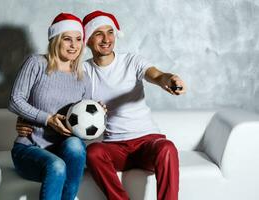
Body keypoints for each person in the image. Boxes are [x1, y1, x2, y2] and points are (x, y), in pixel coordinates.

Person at [16, 10, 186, 200]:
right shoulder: (81, 72)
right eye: (98, 33)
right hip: (114, 146)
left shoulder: (131, 61)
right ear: (87, 41)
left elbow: (156, 75)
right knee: (93, 152)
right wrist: (27, 118)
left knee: (167, 148)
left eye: (110, 32)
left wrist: (170, 79)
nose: (106, 39)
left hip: (147, 142)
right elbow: (58, 103)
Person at [8, 13, 91, 200]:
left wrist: (99, 112)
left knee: (76, 146)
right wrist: (47, 119)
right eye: (67, 39)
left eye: (78, 39)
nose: (74, 45)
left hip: (64, 149)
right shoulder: (36, 63)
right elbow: (15, 100)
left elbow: (84, 120)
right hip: (30, 149)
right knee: (57, 166)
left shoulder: (83, 77)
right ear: (55, 40)